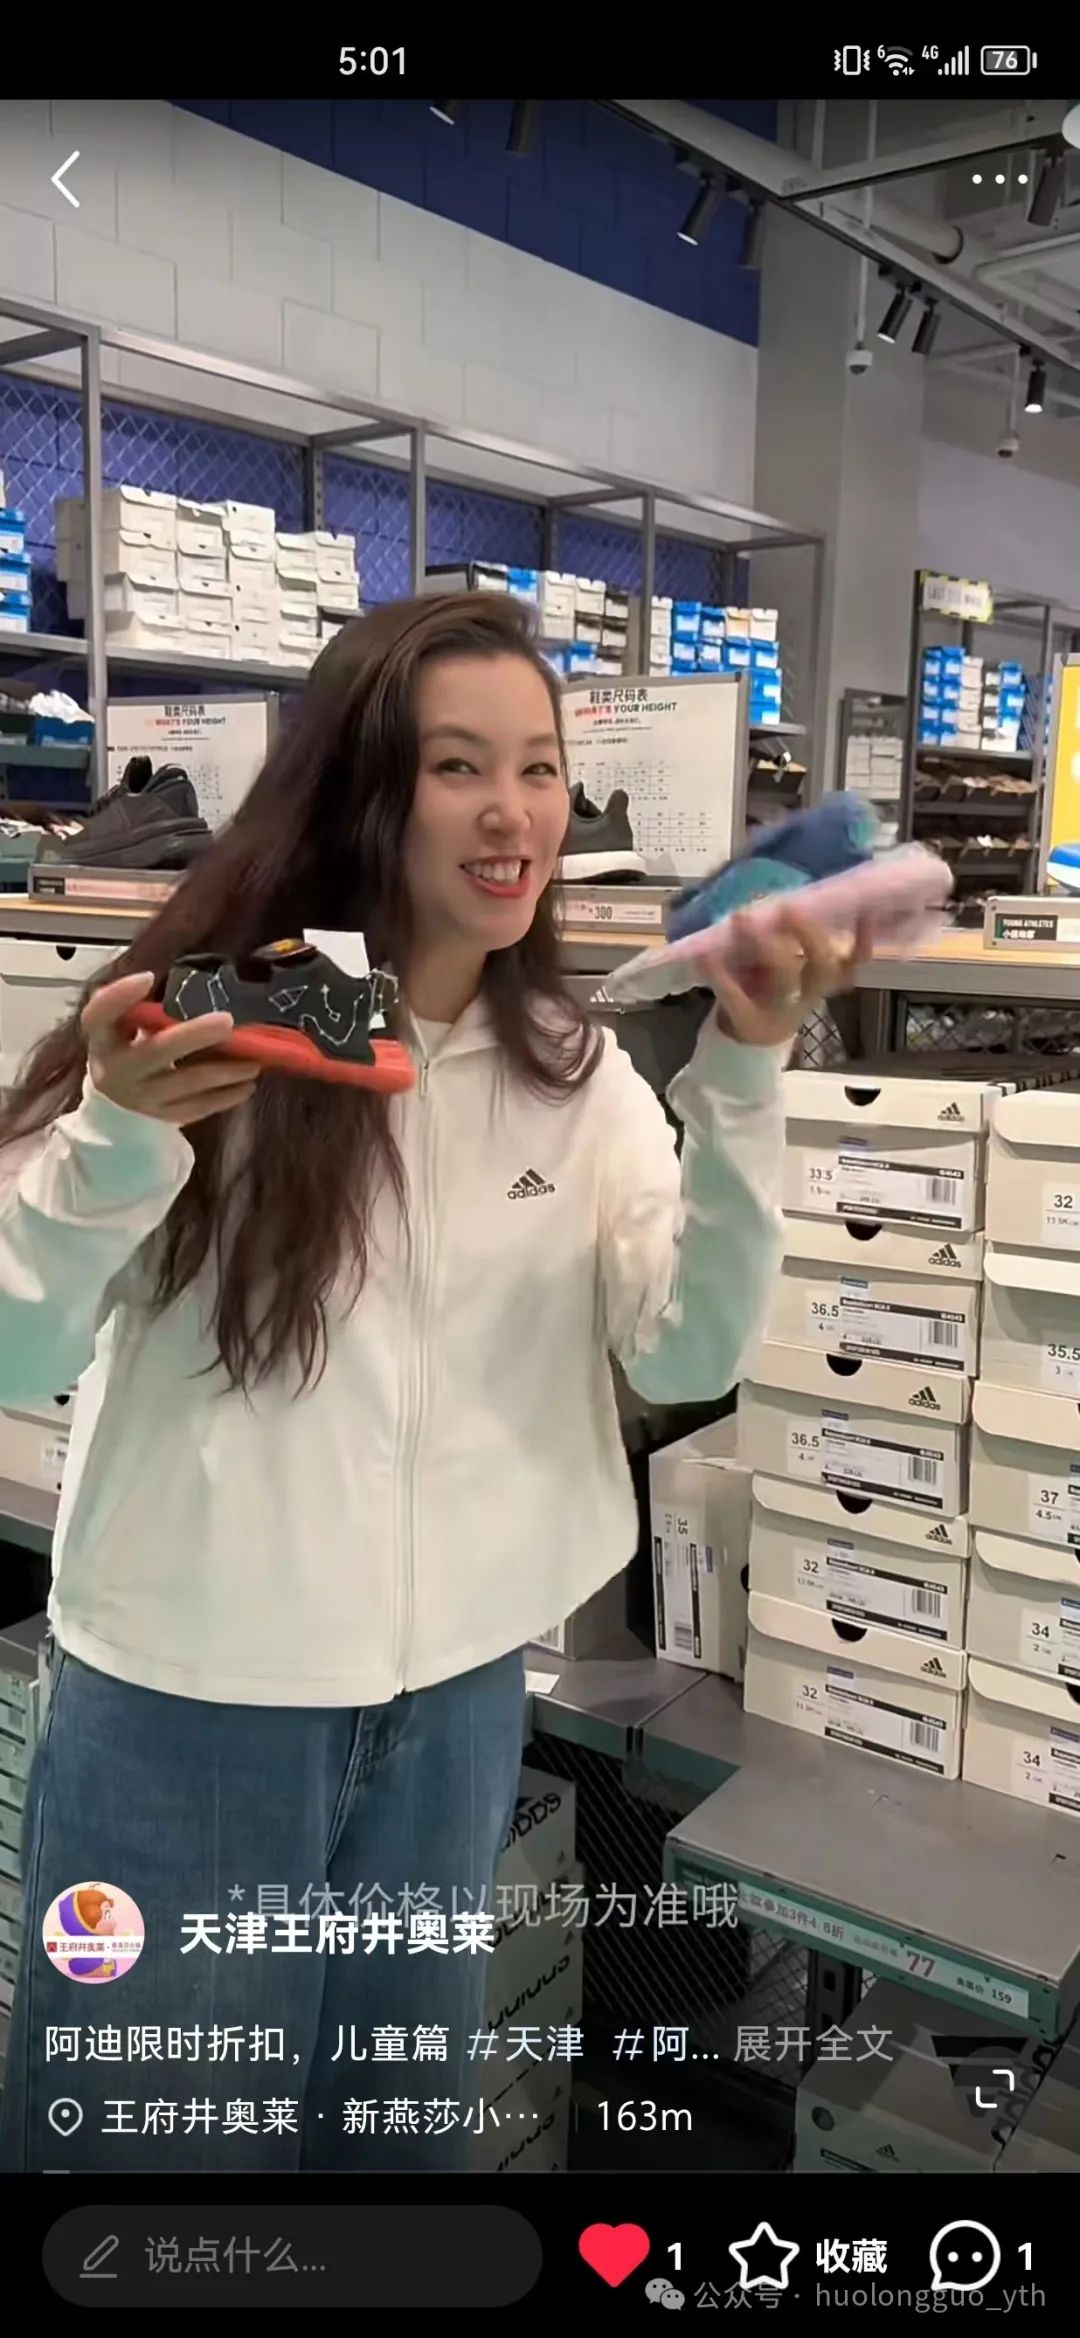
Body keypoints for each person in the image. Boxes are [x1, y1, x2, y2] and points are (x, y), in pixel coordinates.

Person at [0, 594, 857, 2173]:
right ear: (361, 788)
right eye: (458, 765)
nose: (513, 811)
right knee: (152, 2161)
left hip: (454, 1703)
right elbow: (17, 1348)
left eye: (539, 767)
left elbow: (684, 1354)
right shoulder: (217, 1018)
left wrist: (743, 1074)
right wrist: (116, 1137)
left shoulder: (575, 1069)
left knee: (383, 2161)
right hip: (190, 1705)